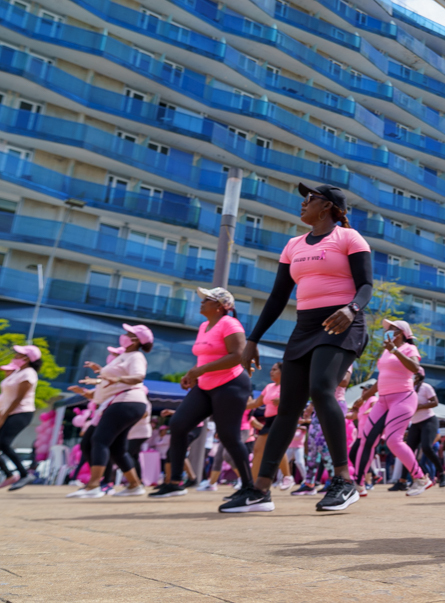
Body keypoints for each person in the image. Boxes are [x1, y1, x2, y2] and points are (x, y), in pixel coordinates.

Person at [241, 183, 372, 513]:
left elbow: (367, 285)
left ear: (326, 206)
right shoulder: (293, 245)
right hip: (305, 328)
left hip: (342, 324)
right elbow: (277, 297)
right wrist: (252, 340)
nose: (302, 203)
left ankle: (344, 480)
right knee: (288, 407)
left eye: (309, 199)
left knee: (321, 389)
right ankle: (260, 490)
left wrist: (351, 309)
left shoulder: (348, 238)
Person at [147, 289, 255, 503]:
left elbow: (237, 356)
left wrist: (200, 371)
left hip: (231, 384)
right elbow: (205, 357)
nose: (201, 303)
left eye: (206, 300)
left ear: (219, 306)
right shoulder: (204, 326)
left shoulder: (230, 324)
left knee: (229, 436)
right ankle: (176, 482)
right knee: (178, 424)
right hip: (205, 385)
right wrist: (191, 373)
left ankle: (249, 487)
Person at [67, 324, 152, 498]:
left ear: (137, 340)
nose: (124, 336)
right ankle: (134, 485)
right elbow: (110, 380)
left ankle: (94, 486)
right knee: (115, 448)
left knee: (98, 440)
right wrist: (98, 374)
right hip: (117, 401)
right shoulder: (125, 356)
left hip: (127, 401)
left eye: (129, 334)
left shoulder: (136, 356)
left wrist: (117, 378)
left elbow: (139, 376)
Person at [351, 320, 434, 497]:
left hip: (403, 397)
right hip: (383, 400)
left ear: (403, 333)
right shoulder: (385, 353)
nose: (388, 331)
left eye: (392, 329)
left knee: (393, 440)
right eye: (387, 329)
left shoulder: (408, 349)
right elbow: (381, 379)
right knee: (366, 439)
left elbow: (415, 368)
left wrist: (395, 351)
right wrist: (363, 398)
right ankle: (358, 485)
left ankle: (421, 478)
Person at [0, 345, 40, 491]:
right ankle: (10, 475)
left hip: (22, 412)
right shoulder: (18, 372)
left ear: (28, 359)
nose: (16, 355)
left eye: (20, 354)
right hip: (10, 412)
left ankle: (24, 475)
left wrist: (3, 416)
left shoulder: (29, 373)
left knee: (4, 443)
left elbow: (18, 398)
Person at [405, 368, 445, 488]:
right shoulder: (407, 389)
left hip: (428, 420)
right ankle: (403, 481)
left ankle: (443, 474)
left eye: (414, 374)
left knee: (427, 447)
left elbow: (435, 402)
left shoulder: (426, 387)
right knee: (407, 451)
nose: (412, 376)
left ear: (419, 376)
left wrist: (420, 406)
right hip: (415, 423)